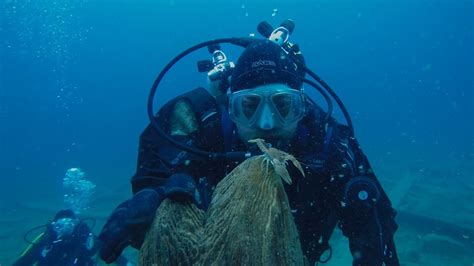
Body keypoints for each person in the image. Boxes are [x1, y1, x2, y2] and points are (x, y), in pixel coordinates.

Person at [99, 39, 399, 265]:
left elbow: (374, 222)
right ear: (231, 107)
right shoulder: (204, 130)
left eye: (283, 105)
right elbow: (159, 168)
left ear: (302, 106)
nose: (267, 124)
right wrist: (153, 193)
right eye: (249, 106)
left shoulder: (327, 142)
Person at [14, 209, 132, 266]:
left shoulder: (86, 239)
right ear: (53, 226)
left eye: (69, 225)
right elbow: (24, 261)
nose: (65, 229)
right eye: (60, 225)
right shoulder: (45, 242)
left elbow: (112, 253)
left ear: (76, 225)